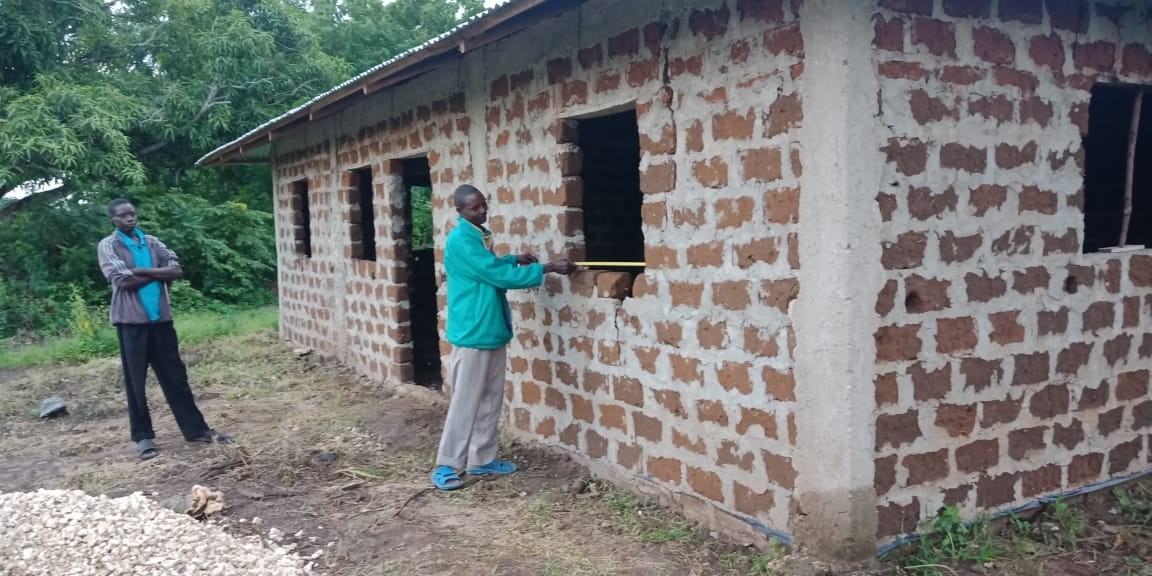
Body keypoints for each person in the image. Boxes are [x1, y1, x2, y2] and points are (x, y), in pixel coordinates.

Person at [432, 184, 576, 490]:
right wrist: (547, 267)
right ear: (460, 212)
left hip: (491, 329)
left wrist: (514, 259)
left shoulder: (478, 235)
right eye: (474, 208)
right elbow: (495, 275)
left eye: (483, 205)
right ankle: (447, 464)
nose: (482, 211)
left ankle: (481, 459)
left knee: (490, 399)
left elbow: (492, 267)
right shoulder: (461, 240)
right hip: (473, 332)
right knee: (465, 402)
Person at [97, 198, 232, 461]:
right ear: (112, 219)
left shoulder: (151, 241)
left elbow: (176, 270)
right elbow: (123, 282)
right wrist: (158, 272)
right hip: (131, 324)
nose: (130, 219)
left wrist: (143, 269)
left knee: (176, 378)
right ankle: (144, 438)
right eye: (123, 216)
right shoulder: (108, 245)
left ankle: (197, 431)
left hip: (161, 321)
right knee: (136, 382)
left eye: (132, 214)